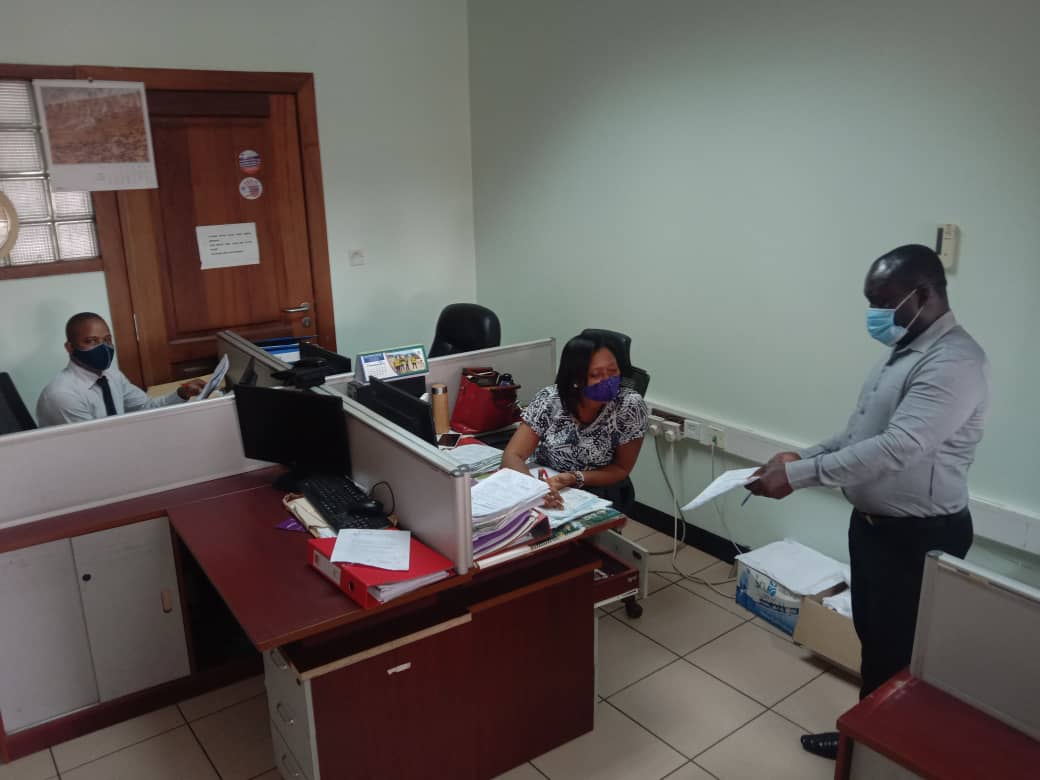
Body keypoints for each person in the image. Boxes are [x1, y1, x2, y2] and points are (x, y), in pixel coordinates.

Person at [747, 244, 988, 759]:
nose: (874, 313)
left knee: (899, 653)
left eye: (883, 301)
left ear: (924, 294)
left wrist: (797, 476)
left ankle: (883, 756)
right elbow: (859, 435)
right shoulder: (902, 351)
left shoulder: (955, 362)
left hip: (919, 537)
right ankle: (866, 742)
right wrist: (799, 459)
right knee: (876, 641)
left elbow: (897, 448)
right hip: (876, 529)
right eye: (869, 301)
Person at [502, 333, 648, 511]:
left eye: (613, 371)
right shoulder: (550, 399)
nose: (608, 381)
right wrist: (535, 491)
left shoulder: (629, 406)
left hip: (597, 490)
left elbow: (621, 468)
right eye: (596, 374)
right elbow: (513, 455)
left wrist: (574, 478)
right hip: (544, 481)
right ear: (576, 379)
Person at [37, 312, 205, 427]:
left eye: (107, 340)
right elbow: (90, 448)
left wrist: (182, 393)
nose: (103, 347)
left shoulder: (111, 375)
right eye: (91, 341)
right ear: (70, 347)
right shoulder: (63, 395)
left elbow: (144, 407)